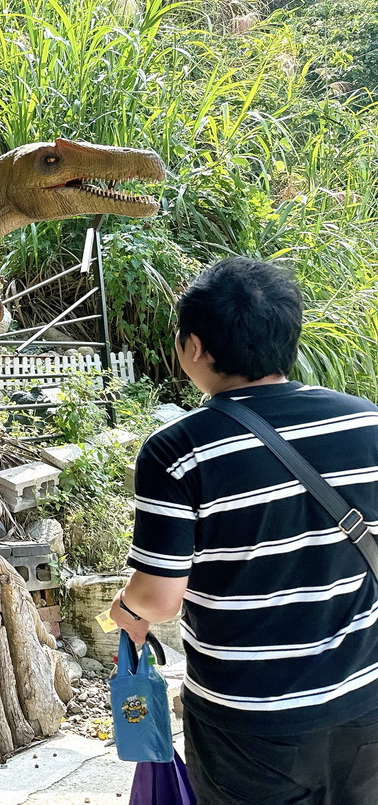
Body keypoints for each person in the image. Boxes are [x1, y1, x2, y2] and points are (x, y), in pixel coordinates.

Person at [111, 256, 378, 805]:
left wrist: (126, 610)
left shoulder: (177, 451)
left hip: (249, 720)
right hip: (362, 697)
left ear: (195, 348)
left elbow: (158, 600)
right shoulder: (365, 421)